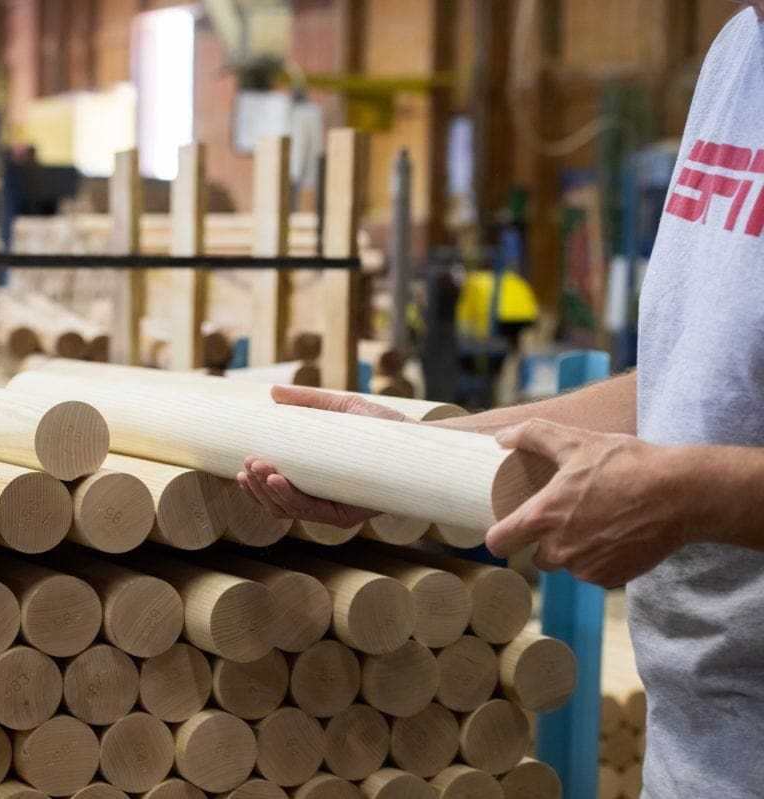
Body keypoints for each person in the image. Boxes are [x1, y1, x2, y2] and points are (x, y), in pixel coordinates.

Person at [239, 3, 764, 797]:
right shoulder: (739, 52)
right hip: (700, 740)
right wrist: (421, 455)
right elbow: (698, 378)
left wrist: (685, 496)